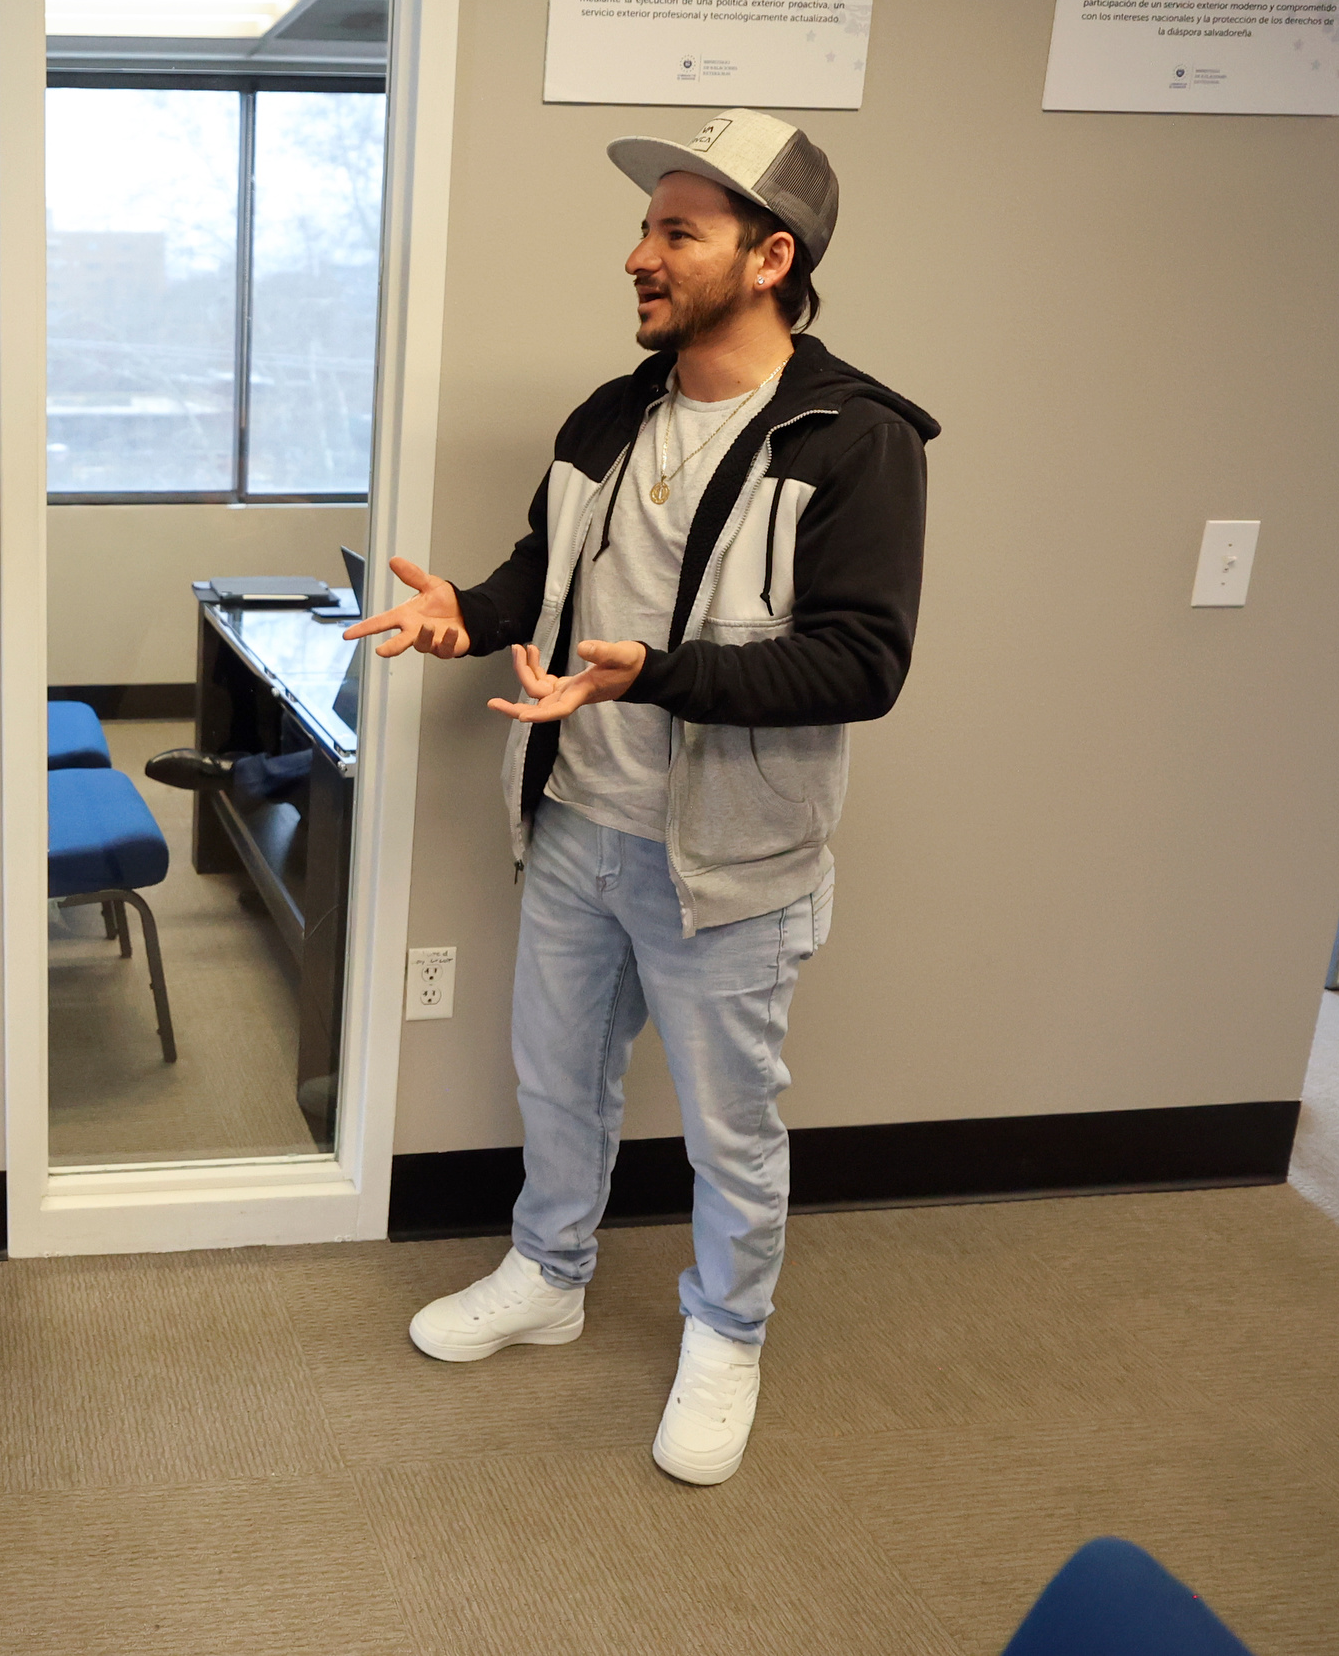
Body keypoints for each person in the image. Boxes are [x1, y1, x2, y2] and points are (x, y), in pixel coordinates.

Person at [345, 109, 935, 1486]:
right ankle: (548, 1274)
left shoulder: (857, 441)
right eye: (646, 228)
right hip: (575, 830)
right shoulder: (613, 411)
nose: (640, 256)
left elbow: (865, 663)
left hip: (729, 861)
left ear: (772, 256)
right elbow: (538, 578)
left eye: (679, 231)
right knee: (558, 1083)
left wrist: (654, 677)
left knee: (734, 1126)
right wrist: (463, 617)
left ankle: (726, 1337)